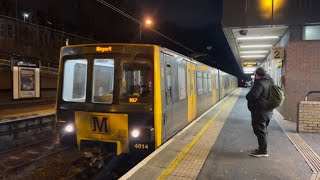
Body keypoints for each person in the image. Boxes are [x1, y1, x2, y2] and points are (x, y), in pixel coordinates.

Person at [246, 67, 274, 157]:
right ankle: (262, 148)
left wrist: (249, 93)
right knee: (263, 130)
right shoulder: (270, 82)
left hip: (260, 111)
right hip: (268, 111)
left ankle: (263, 151)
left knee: (260, 131)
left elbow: (252, 96)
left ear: (257, 75)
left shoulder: (260, 84)